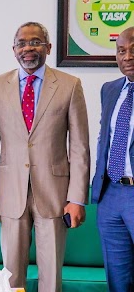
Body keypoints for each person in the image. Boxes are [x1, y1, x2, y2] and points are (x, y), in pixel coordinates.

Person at [0, 22, 90, 292]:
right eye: (22, 43)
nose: (28, 48)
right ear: (14, 49)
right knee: (10, 275)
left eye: (36, 42)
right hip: (10, 194)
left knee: (51, 274)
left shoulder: (69, 85)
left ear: (48, 47)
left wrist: (76, 199)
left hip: (53, 193)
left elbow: (79, 147)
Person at [91, 26, 134, 292]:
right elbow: (103, 138)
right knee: (118, 280)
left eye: (133, 50)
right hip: (111, 194)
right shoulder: (110, 89)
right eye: (121, 51)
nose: (127, 56)